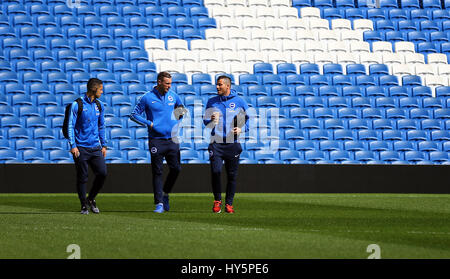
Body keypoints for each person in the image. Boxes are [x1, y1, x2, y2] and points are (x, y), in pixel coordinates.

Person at [129, 71, 186, 213]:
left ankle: (165, 193)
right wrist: (150, 124)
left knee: (176, 169)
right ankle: (159, 203)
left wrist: (176, 121)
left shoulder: (174, 96)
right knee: (157, 172)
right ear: (159, 82)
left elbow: (182, 110)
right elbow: (134, 114)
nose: (169, 86)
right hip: (156, 141)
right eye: (167, 83)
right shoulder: (147, 97)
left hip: (172, 139)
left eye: (170, 84)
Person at [203, 75, 249, 214]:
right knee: (216, 171)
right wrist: (210, 120)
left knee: (232, 175)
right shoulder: (212, 102)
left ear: (227, 86)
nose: (217, 87)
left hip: (232, 143)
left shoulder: (239, 101)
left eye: (220, 85)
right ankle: (217, 200)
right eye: (217, 84)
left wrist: (242, 129)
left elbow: (248, 120)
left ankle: (229, 204)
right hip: (216, 143)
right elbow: (205, 122)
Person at [68, 78, 107, 215]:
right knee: (83, 177)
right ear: (94, 89)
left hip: (96, 147)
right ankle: (83, 205)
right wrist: (73, 145)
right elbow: (70, 126)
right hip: (81, 147)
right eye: (101, 89)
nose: (102, 92)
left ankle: (91, 199)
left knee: (102, 173)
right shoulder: (77, 104)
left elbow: (101, 126)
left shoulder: (100, 105)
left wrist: (104, 145)